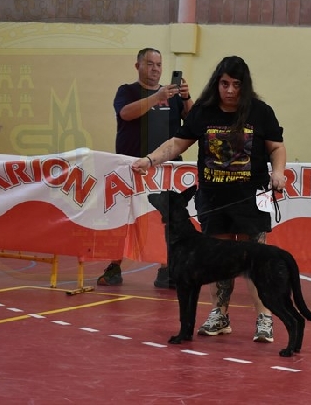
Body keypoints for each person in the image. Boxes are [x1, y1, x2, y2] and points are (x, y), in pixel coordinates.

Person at [132, 55, 287, 343]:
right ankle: (220, 314)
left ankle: (264, 317)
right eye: (224, 84)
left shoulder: (260, 111)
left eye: (236, 85)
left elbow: (276, 147)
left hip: (252, 197)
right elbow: (177, 144)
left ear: (245, 86)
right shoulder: (203, 112)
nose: (230, 90)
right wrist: (150, 160)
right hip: (213, 198)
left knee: (256, 258)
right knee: (217, 260)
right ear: (217, 83)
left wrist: (278, 172)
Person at [97, 47, 193, 288]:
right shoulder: (127, 91)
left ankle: (166, 268)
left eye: (159, 64)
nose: (155, 69)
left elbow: (193, 122)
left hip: (167, 167)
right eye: (150, 64)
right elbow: (126, 113)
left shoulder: (173, 96)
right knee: (124, 216)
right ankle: (114, 266)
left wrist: (185, 97)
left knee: (166, 218)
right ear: (138, 65)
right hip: (132, 165)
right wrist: (157, 97)